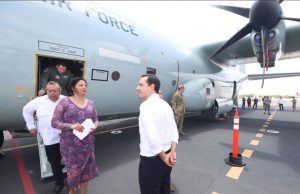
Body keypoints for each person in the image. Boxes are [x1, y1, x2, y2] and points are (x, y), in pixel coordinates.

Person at [51, 77, 99, 194]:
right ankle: (72, 191)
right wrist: (72, 126)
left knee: (86, 171)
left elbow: (96, 119)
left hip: (87, 144)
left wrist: (95, 126)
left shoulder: (91, 103)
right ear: (73, 88)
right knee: (73, 173)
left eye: (85, 85)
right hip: (70, 146)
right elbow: (54, 122)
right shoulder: (65, 102)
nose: (84, 87)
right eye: (81, 85)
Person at [136, 74, 179, 194]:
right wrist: (171, 152)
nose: (137, 88)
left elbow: (152, 136)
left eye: (141, 84)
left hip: (152, 161)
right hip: (166, 158)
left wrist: (165, 157)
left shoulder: (146, 106)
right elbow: (174, 131)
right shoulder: (166, 105)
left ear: (151, 87)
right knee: (164, 190)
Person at [22, 81, 65, 194]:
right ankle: (59, 182)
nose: (51, 93)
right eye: (49, 90)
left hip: (66, 137)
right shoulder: (39, 101)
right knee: (54, 162)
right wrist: (31, 126)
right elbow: (26, 110)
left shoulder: (65, 100)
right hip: (49, 138)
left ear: (59, 91)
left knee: (70, 159)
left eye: (54, 91)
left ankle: (74, 178)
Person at [158, 89, 176, 193]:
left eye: (160, 94)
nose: (159, 96)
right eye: (157, 94)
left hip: (167, 148)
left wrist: (172, 151)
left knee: (166, 171)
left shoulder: (167, 108)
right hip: (156, 151)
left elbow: (173, 129)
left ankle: (166, 184)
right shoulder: (148, 109)